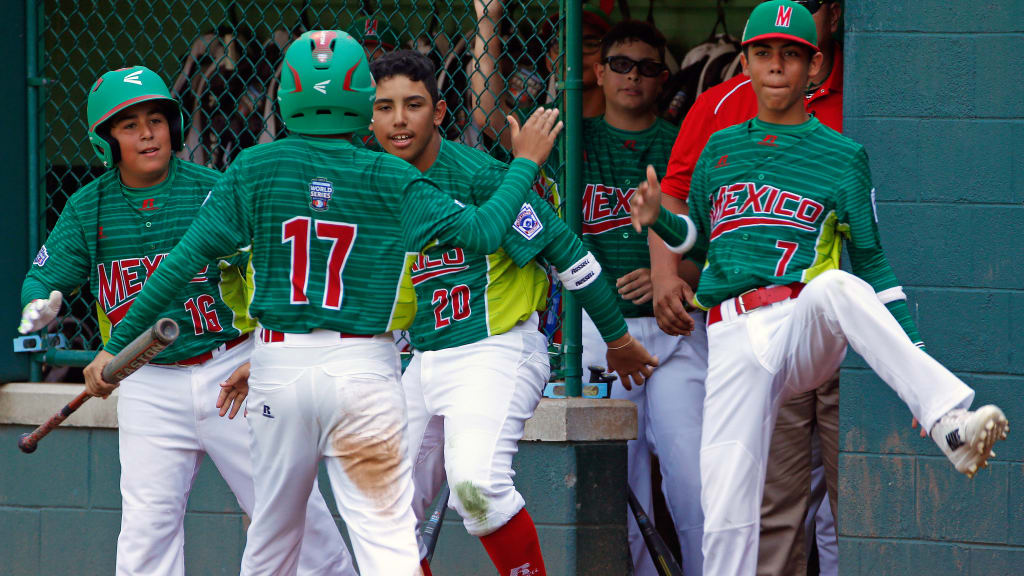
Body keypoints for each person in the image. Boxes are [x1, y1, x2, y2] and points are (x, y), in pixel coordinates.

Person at [82, 31, 564, 576]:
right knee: (384, 537)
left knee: (272, 535)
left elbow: (178, 266)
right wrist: (524, 163)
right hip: (362, 368)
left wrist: (116, 346)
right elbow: (483, 232)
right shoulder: (389, 172)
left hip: (278, 365)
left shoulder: (253, 167)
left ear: (287, 96)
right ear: (362, 99)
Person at [628, 2, 1009, 575]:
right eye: (763, 52)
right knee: (726, 510)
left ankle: (948, 420)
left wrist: (915, 353)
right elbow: (696, 239)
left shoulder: (843, 156)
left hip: (799, 323)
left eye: (791, 54)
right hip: (731, 334)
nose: (776, 65)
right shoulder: (719, 150)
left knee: (835, 284)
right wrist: (658, 217)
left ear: (814, 66)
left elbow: (874, 265)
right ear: (745, 63)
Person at [18, 65, 355, 576]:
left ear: (173, 126)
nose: (147, 133)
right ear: (106, 140)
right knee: (146, 530)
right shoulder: (89, 208)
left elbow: (279, 274)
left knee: (289, 510)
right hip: (146, 379)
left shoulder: (215, 191)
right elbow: (43, 279)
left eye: (156, 120)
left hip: (232, 371)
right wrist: (39, 306)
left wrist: (268, 352)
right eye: (129, 125)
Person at [368, 50, 659, 576]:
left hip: (495, 350)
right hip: (424, 359)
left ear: (439, 111)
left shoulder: (481, 175)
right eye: (384, 107)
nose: (399, 120)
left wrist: (617, 339)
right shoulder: (373, 184)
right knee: (381, 506)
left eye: (413, 104)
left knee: (477, 486)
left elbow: (569, 254)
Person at [651, 1, 844, 573]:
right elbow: (677, 193)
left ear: (832, 16)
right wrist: (666, 274)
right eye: (764, 50)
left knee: (855, 497)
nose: (777, 62)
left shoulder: (868, 93)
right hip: (762, 324)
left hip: (839, 327)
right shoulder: (723, 102)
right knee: (772, 501)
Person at [569, 20, 709, 576]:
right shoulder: (575, 139)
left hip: (676, 326)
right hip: (600, 331)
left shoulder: (682, 145)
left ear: (663, 79)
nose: (633, 77)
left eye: (647, 68)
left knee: (692, 475)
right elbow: (489, 126)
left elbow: (717, 243)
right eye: (621, 65)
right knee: (619, 484)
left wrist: (671, 274)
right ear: (599, 72)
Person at [470, 0, 614, 150]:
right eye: (561, 44)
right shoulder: (540, 122)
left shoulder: (625, 121)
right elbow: (490, 118)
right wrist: (488, 16)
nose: (574, 53)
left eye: (590, 44)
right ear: (549, 61)